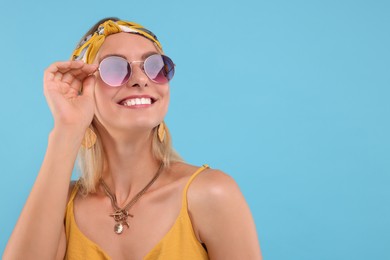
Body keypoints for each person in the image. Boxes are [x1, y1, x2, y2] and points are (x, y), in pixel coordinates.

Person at [3, 17, 262, 260]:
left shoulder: (212, 193)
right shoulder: (59, 205)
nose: (140, 80)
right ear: (84, 91)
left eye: (155, 67)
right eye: (115, 68)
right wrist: (67, 128)